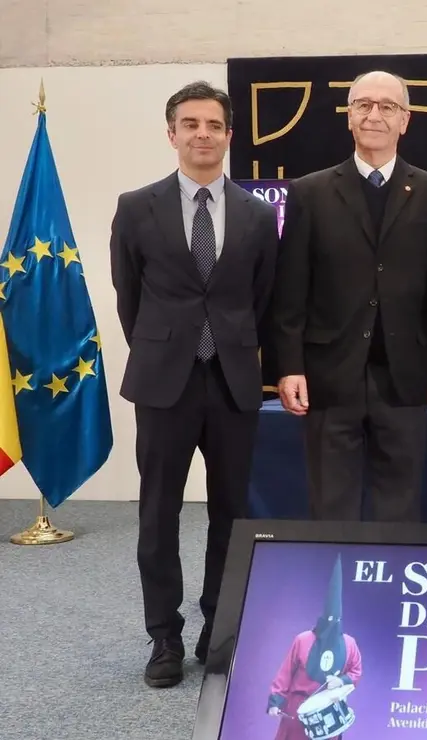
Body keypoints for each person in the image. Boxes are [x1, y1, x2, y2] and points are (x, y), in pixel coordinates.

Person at [109, 81, 279, 688]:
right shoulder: (136, 206)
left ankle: (218, 630)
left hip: (233, 382)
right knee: (159, 513)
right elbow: (129, 296)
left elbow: (262, 299)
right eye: (190, 124)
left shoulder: (259, 215)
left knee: (232, 515)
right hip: (164, 385)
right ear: (172, 133)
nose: (202, 134)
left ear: (230, 135)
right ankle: (163, 638)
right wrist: (163, 349)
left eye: (213, 124)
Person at [270, 71, 427, 524]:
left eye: (388, 106)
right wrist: (289, 366)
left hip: (407, 377)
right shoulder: (309, 192)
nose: (375, 115)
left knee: (401, 504)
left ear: (405, 120)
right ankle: (333, 593)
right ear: (349, 116)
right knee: (331, 505)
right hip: (329, 376)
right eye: (364, 105)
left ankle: (390, 594)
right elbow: (291, 288)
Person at [268, 556, 363, 740]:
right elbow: (285, 674)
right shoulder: (302, 640)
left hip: (328, 712)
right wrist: (276, 701)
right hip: (297, 708)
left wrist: (341, 681)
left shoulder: (349, 644)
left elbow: (356, 672)